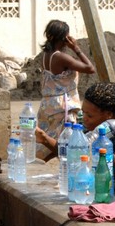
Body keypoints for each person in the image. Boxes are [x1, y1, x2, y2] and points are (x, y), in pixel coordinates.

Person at [38, 82, 115, 199]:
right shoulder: (94, 121)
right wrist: (44, 138)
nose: (84, 119)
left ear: (108, 114)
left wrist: (104, 154)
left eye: (90, 116)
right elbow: (73, 152)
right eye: (83, 112)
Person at [36, 20, 95, 159]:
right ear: (64, 37)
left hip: (48, 105)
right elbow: (90, 68)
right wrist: (76, 48)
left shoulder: (45, 55)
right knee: (65, 146)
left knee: (49, 143)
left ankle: (37, 163)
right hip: (62, 107)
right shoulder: (61, 57)